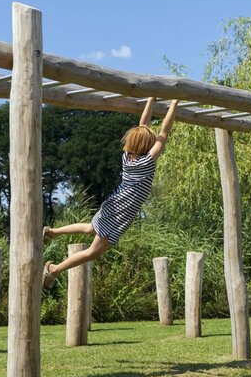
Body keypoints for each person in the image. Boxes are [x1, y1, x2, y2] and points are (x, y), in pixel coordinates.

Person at [42, 97, 179, 289]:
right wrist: (174, 104)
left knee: (91, 228)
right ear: (147, 144)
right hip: (121, 212)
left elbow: (143, 125)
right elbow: (164, 132)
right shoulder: (147, 162)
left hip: (114, 203)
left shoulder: (127, 158)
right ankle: (53, 270)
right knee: (93, 252)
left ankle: (52, 232)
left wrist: (151, 99)